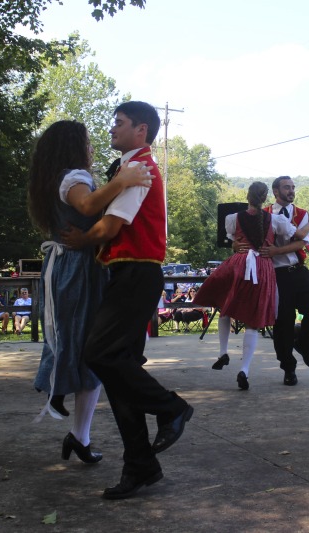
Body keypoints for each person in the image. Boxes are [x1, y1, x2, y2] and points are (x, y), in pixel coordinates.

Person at [60, 101, 193, 500]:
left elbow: (112, 225)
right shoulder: (128, 170)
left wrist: (82, 240)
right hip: (129, 274)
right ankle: (140, 466)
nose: (111, 129)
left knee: (99, 354)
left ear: (141, 130)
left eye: (119, 123)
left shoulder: (140, 170)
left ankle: (171, 408)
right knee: (119, 371)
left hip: (136, 275)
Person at [28, 119, 153, 466]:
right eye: (86, 142)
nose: (92, 148)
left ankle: (76, 427)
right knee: (90, 348)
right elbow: (86, 207)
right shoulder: (74, 178)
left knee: (79, 343)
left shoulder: (58, 177)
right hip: (78, 268)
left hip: (71, 266)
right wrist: (122, 181)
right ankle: (60, 395)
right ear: (73, 146)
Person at [196, 182, 299, 390]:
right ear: (265, 198)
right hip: (262, 268)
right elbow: (295, 235)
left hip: (239, 263)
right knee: (253, 319)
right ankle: (244, 369)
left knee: (225, 306)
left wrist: (235, 245)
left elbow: (233, 239)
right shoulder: (276, 220)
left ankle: (223, 352)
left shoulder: (233, 218)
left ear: (247, 197)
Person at [264, 176, 309, 386]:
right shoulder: (265, 214)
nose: (291, 190)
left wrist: (276, 250)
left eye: (293, 187)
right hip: (276, 274)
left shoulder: (302, 214)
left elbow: (301, 243)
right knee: (283, 322)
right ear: (276, 191)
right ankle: (288, 368)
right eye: (287, 187)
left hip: (298, 270)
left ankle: (305, 346)